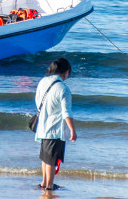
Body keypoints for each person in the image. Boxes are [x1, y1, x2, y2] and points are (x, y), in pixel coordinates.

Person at [34, 57, 77, 192]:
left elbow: (37, 101)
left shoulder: (42, 82)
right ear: (67, 71)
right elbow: (66, 112)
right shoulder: (63, 88)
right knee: (51, 160)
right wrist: (72, 131)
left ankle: (44, 182)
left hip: (42, 126)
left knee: (45, 157)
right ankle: (49, 186)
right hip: (55, 129)